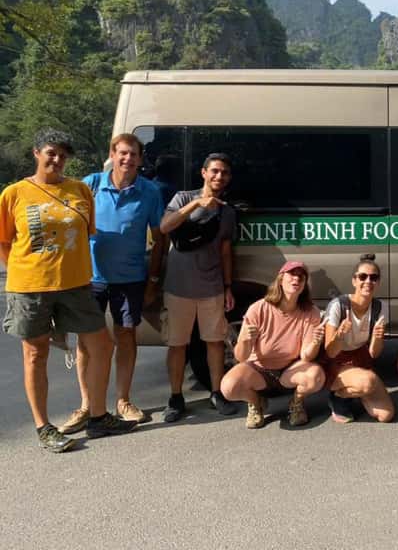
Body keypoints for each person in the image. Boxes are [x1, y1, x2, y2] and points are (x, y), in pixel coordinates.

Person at [0, 129, 137, 452]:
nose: (58, 160)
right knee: (36, 354)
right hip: (30, 287)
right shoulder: (14, 193)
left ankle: (99, 416)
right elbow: (4, 243)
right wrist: (24, 270)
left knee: (102, 344)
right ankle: (44, 427)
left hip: (76, 285)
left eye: (63, 155)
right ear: (36, 153)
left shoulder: (79, 191)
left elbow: (85, 236)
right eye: (51, 153)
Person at [57, 134, 165, 433]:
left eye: (133, 154)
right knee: (86, 343)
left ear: (140, 160)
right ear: (112, 155)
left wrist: (154, 279)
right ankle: (87, 405)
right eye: (122, 153)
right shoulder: (89, 185)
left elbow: (159, 238)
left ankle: (123, 401)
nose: (127, 159)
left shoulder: (150, 192)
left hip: (130, 277)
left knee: (126, 336)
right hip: (89, 279)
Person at [158, 152, 238, 422]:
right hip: (178, 288)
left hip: (212, 287)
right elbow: (164, 226)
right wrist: (195, 205)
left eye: (224, 173)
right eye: (214, 171)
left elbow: (226, 251)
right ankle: (175, 397)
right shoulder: (182, 197)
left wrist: (228, 286)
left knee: (215, 344)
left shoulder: (227, 212)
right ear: (203, 172)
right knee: (177, 345)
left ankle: (217, 393)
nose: (219, 176)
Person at [220, 261, 325, 428]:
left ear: (305, 285)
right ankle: (256, 403)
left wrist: (315, 342)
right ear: (281, 279)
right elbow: (240, 357)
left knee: (315, 376)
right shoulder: (258, 308)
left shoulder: (311, 312)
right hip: (259, 369)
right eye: (292, 275)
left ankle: (296, 403)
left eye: (301, 277)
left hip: (289, 369)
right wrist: (245, 339)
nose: (296, 279)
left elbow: (306, 356)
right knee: (229, 387)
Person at [322, 255, 394, 423]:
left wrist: (377, 338)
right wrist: (339, 335)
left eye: (373, 277)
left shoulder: (381, 307)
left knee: (386, 415)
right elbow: (330, 351)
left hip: (361, 359)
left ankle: (352, 391)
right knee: (368, 382)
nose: (368, 281)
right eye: (362, 276)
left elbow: (374, 354)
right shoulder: (338, 305)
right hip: (336, 361)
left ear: (378, 282)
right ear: (354, 280)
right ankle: (337, 397)